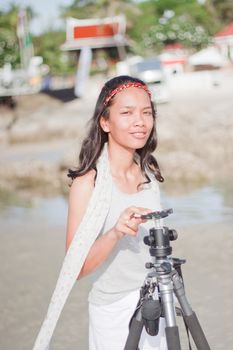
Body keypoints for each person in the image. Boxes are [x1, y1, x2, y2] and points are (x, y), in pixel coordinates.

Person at [66, 75, 166, 350]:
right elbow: (74, 269)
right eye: (127, 113)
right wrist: (115, 233)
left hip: (158, 301)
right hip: (114, 309)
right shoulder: (88, 183)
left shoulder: (148, 172)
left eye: (147, 113)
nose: (140, 121)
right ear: (105, 121)